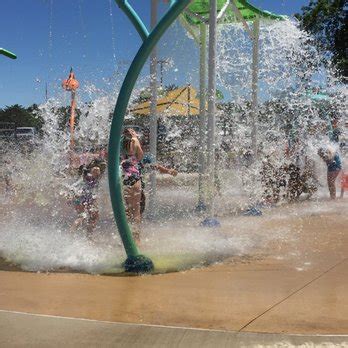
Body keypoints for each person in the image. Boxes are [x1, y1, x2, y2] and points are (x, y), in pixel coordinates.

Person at [70, 159, 106, 235]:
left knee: (91, 216)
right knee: (85, 216)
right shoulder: (96, 169)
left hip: (81, 195)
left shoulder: (88, 170)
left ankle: (86, 236)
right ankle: (73, 234)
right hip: (83, 196)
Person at [121, 128, 144, 245]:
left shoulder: (118, 143)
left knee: (126, 210)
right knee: (136, 211)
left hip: (122, 178)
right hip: (134, 177)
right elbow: (140, 156)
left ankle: (127, 238)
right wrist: (136, 138)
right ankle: (137, 239)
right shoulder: (134, 141)